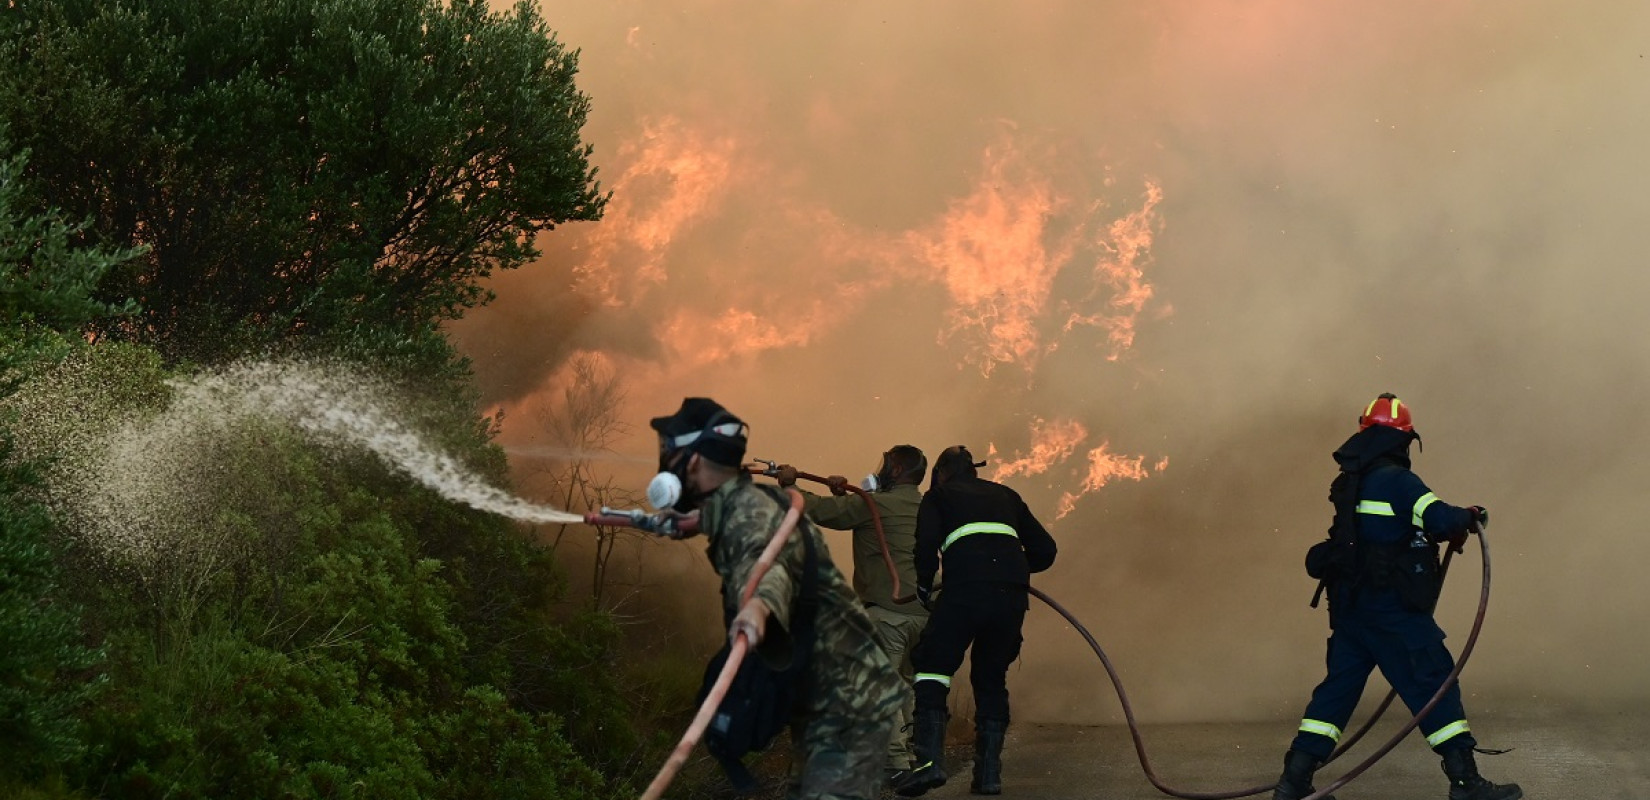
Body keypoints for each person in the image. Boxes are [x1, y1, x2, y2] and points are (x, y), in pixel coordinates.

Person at [647, 398, 904, 800]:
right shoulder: (750, 503)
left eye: (669, 450)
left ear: (693, 461)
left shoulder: (749, 518)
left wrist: (756, 608)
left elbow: (769, 566)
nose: (665, 461)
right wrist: (694, 520)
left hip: (844, 698)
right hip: (828, 689)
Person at [1273, 394, 1522, 800]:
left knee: (1336, 694)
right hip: (1392, 613)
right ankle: (1465, 782)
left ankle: (1294, 782)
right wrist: (1470, 515)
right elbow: (1438, 517)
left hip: (1352, 610)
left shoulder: (1351, 481)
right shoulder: (1398, 482)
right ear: (1403, 440)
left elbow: (1380, 535)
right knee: (1435, 682)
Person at [896, 445, 1057, 797]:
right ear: (973, 471)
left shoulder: (938, 496)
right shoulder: (1007, 495)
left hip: (964, 592)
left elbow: (926, 544)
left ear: (941, 473)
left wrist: (924, 584)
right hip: (1010, 597)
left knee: (932, 667)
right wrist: (1009, 569)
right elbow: (1046, 551)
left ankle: (928, 764)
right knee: (991, 676)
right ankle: (988, 777)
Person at [775, 446, 930, 785]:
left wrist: (788, 483)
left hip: (888, 615)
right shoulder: (926, 506)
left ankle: (896, 766)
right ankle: (916, 757)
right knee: (908, 687)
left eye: (888, 464)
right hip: (925, 615)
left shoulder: (874, 504)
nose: (882, 469)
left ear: (898, 469)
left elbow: (815, 510)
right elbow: (869, 518)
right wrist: (846, 494)